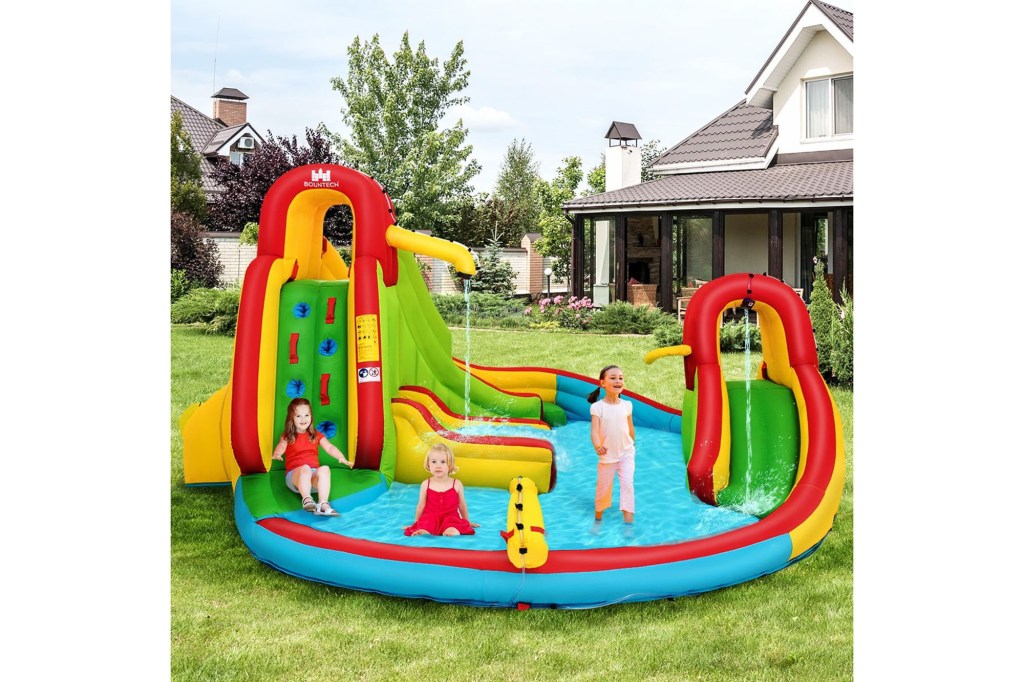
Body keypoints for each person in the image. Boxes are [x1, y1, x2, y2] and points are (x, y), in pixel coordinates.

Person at [271, 397, 354, 516]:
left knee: (325, 469)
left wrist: (341, 457)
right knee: (305, 468)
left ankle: (323, 504)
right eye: (298, 416)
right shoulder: (288, 436)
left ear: (311, 417)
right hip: (295, 478)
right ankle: (307, 499)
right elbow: (281, 445)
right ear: (291, 418)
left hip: (313, 479)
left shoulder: (315, 435)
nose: (303, 419)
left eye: (306, 415)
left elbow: (329, 447)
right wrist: (277, 453)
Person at [587, 365, 636, 524]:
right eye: (613, 378)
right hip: (607, 455)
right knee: (603, 488)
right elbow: (594, 431)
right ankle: (598, 518)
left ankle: (628, 521)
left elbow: (630, 427)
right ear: (603, 383)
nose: (618, 381)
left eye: (621, 378)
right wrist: (597, 446)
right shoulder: (597, 407)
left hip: (626, 453)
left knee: (628, 484)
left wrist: (632, 443)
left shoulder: (627, 405)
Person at [403, 443, 479, 536]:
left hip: (451, 518)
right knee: (426, 525)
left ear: (450, 464)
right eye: (434, 462)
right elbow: (420, 506)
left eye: (443, 462)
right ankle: (423, 531)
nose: (438, 466)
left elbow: (462, 506)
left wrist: (467, 522)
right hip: (430, 518)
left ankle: (450, 531)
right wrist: (416, 524)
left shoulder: (457, 484)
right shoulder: (426, 484)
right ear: (428, 464)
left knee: (453, 527)